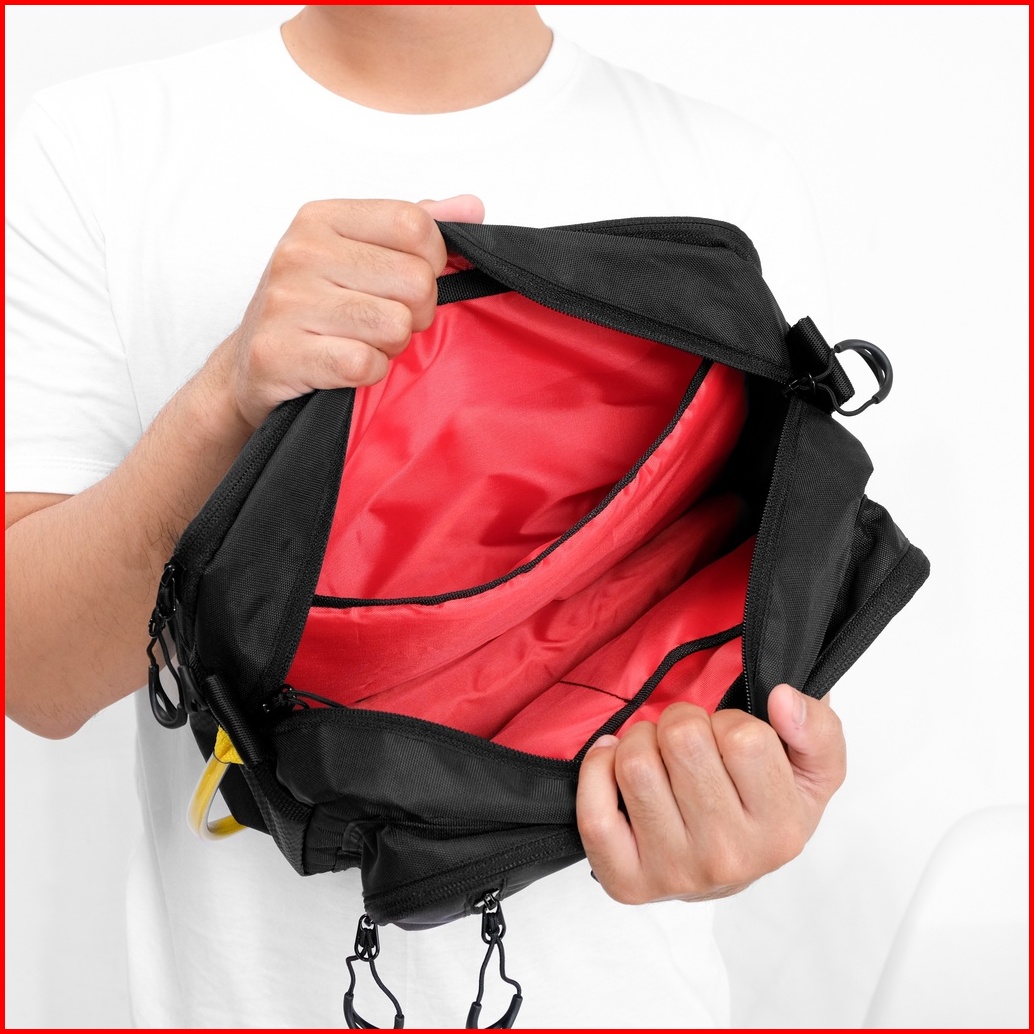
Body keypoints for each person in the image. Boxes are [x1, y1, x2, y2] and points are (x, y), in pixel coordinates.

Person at [5, 6, 846, 1027]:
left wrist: (747, 815)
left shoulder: (732, 170)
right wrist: (228, 398)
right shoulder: (98, 144)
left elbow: (764, 658)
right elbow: (31, 671)